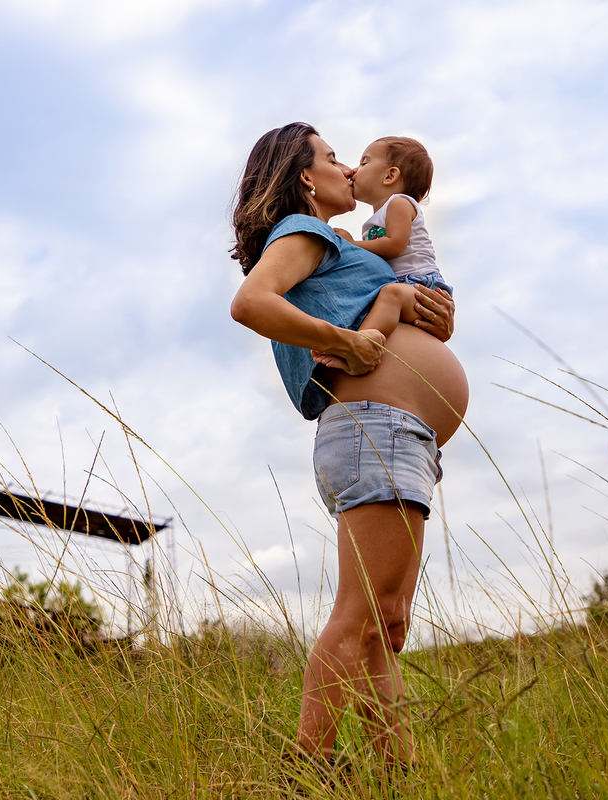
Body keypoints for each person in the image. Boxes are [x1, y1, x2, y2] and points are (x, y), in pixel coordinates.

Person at [229, 123, 469, 769]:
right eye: (333, 158)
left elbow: (387, 298)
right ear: (306, 178)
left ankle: (397, 771)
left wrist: (429, 311)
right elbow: (252, 302)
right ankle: (308, 769)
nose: (345, 168)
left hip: (399, 433)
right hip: (374, 426)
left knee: (385, 627)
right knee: (361, 615)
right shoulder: (302, 231)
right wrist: (347, 342)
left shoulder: (340, 242)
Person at [328, 136, 452, 353]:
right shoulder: (380, 215)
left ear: (390, 175)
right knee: (388, 296)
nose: (355, 170)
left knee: (390, 295)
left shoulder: (399, 203)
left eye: (364, 163)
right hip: (405, 286)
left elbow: (395, 246)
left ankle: (358, 347)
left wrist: (351, 245)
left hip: (421, 285)